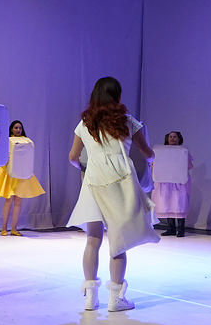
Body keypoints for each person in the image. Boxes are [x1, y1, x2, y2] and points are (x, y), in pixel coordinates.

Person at [67, 77, 158, 312]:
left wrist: (86, 168)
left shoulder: (85, 123)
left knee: (92, 240)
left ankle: (90, 298)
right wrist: (148, 160)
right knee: (119, 242)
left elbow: (73, 157)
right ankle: (116, 299)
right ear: (117, 95)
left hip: (93, 182)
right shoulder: (127, 121)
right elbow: (148, 153)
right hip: (120, 183)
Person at [0, 120, 45, 236]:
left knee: (18, 201)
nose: (18, 130)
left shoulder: (27, 141)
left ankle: (14, 228)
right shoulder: (8, 140)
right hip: (10, 172)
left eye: (20, 128)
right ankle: (4, 228)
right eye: (16, 128)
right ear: (11, 129)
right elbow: (2, 154)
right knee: (9, 200)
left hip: (22, 173)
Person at [152, 131, 193, 238]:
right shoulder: (161, 151)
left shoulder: (183, 151)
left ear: (179, 139)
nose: (172, 138)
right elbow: (154, 165)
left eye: (175, 137)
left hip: (179, 183)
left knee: (179, 205)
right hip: (165, 182)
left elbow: (189, 166)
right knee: (167, 204)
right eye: (170, 137)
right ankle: (171, 228)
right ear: (167, 138)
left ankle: (180, 230)